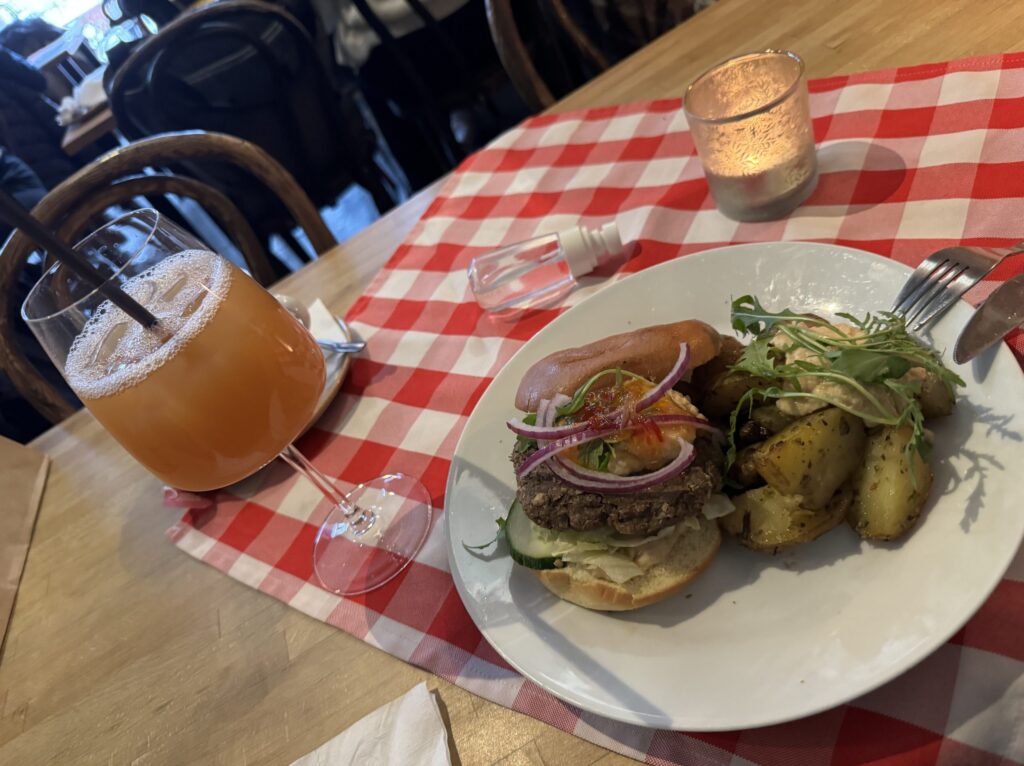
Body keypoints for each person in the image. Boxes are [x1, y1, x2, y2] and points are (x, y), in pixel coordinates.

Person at [311, 0, 524, 189]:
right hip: (500, 22)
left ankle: (430, 186)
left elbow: (329, 17)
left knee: (359, 65)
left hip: (412, 60)